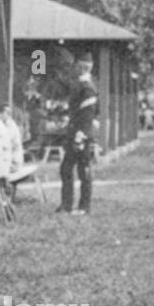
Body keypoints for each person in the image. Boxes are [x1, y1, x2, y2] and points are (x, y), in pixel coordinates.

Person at [58, 52, 100, 215]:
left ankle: (83, 206)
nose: (73, 68)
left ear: (81, 67)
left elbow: (88, 114)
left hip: (81, 135)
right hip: (76, 132)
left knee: (83, 171)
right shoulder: (82, 84)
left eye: (76, 65)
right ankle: (68, 205)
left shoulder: (87, 87)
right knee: (67, 169)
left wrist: (80, 136)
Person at [0, 102, 25, 173]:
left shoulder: (10, 125)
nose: (8, 115)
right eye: (7, 112)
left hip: (13, 163)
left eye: (8, 113)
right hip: (7, 160)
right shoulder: (1, 124)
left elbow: (5, 144)